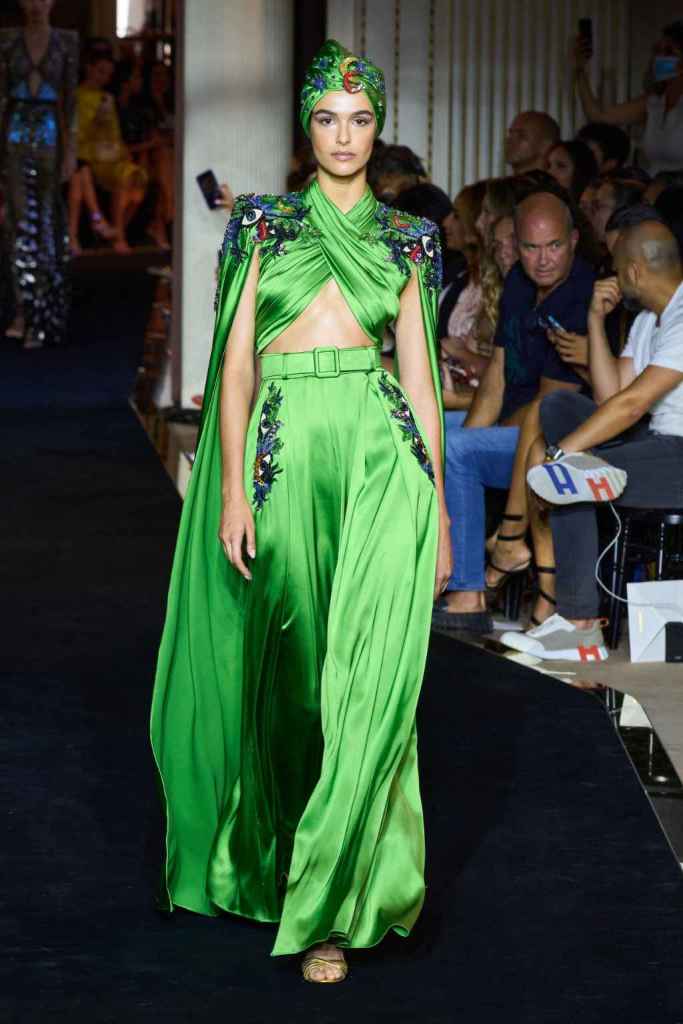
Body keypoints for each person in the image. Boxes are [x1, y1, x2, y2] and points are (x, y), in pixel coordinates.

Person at [150, 39, 449, 985]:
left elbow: (421, 383)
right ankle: (283, 863)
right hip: (283, 455)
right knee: (293, 672)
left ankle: (330, 910)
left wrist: (440, 514)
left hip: (379, 455)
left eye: (359, 120)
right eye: (327, 118)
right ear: (305, 127)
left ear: (378, 128)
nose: (343, 136)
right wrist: (230, 488)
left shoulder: (410, 238)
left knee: (369, 681)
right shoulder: (263, 225)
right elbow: (235, 369)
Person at [502, 216, 683, 661]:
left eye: (617, 270)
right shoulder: (648, 321)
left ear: (635, 271)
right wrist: (595, 321)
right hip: (653, 442)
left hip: (677, 454)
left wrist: (562, 454)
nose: (613, 280)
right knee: (558, 407)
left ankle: (580, 626)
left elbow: (632, 405)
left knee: (567, 476)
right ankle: (580, 471)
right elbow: (609, 397)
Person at [432, 190, 593, 633]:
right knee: (425, 431)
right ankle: (424, 570)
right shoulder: (520, 284)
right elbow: (497, 377)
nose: (542, 260)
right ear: (516, 246)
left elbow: (548, 406)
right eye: (531, 247)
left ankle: (468, 593)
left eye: (553, 246)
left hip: (557, 438)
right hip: (510, 425)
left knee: (458, 449)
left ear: (573, 240)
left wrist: (470, 442)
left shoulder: (580, 293)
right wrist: (472, 432)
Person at [0, 0, 78, 347]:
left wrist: (71, 150)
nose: (36, 4)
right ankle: (23, 309)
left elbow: (70, 101)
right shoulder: (7, 40)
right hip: (14, 136)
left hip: (50, 137)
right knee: (19, 224)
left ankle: (43, 312)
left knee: (46, 224)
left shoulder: (66, 41)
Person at [573, 21, 683, 176]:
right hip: (652, 187)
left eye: (669, 52)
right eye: (658, 50)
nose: (659, 58)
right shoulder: (653, 102)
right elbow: (598, 116)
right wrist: (579, 68)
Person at [76, 46, 147, 253]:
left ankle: (116, 230)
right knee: (124, 178)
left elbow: (114, 132)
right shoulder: (78, 96)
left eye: (108, 74)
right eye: (100, 71)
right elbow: (79, 134)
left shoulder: (107, 97)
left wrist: (123, 149)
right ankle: (119, 236)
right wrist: (96, 120)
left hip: (113, 154)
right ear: (89, 68)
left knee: (138, 180)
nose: (104, 78)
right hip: (91, 155)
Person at [505, 110, 560, 175]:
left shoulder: (553, 182)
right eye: (510, 134)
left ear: (545, 146)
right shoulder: (503, 181)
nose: (509, 140)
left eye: (521, 135)